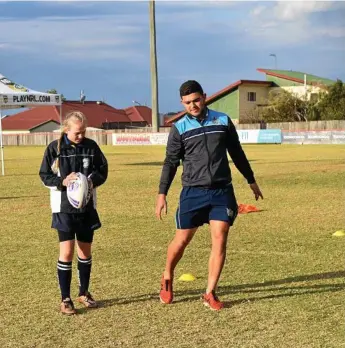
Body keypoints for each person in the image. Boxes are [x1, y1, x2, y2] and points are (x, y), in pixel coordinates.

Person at [156, 80, 263, 311]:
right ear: (182, 103)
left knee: (220, 236)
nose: (193, 105)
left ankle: (210, 292)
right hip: (193, 192)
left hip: (221, 190)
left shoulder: (222, 121)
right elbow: (171, 163)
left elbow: (237, 152)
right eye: (187, 103)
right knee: (182, 240)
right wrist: (161, 193)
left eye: (196, 100)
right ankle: (167, 275)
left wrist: (251, 180)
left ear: (204, 97)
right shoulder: (180, 128)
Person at [39, 111, 108, 315]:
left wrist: (91, 180)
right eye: (77, 132)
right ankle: (65, 298)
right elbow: (44, 175)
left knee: (85, 252)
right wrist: (62, 182)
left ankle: (84, 292)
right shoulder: (55, 148)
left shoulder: (91, 146)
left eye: (83, 131)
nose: (81, 135)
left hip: (87, 208)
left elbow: (103, 170)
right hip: (64, 210)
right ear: (66, 129)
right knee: (67, 252)